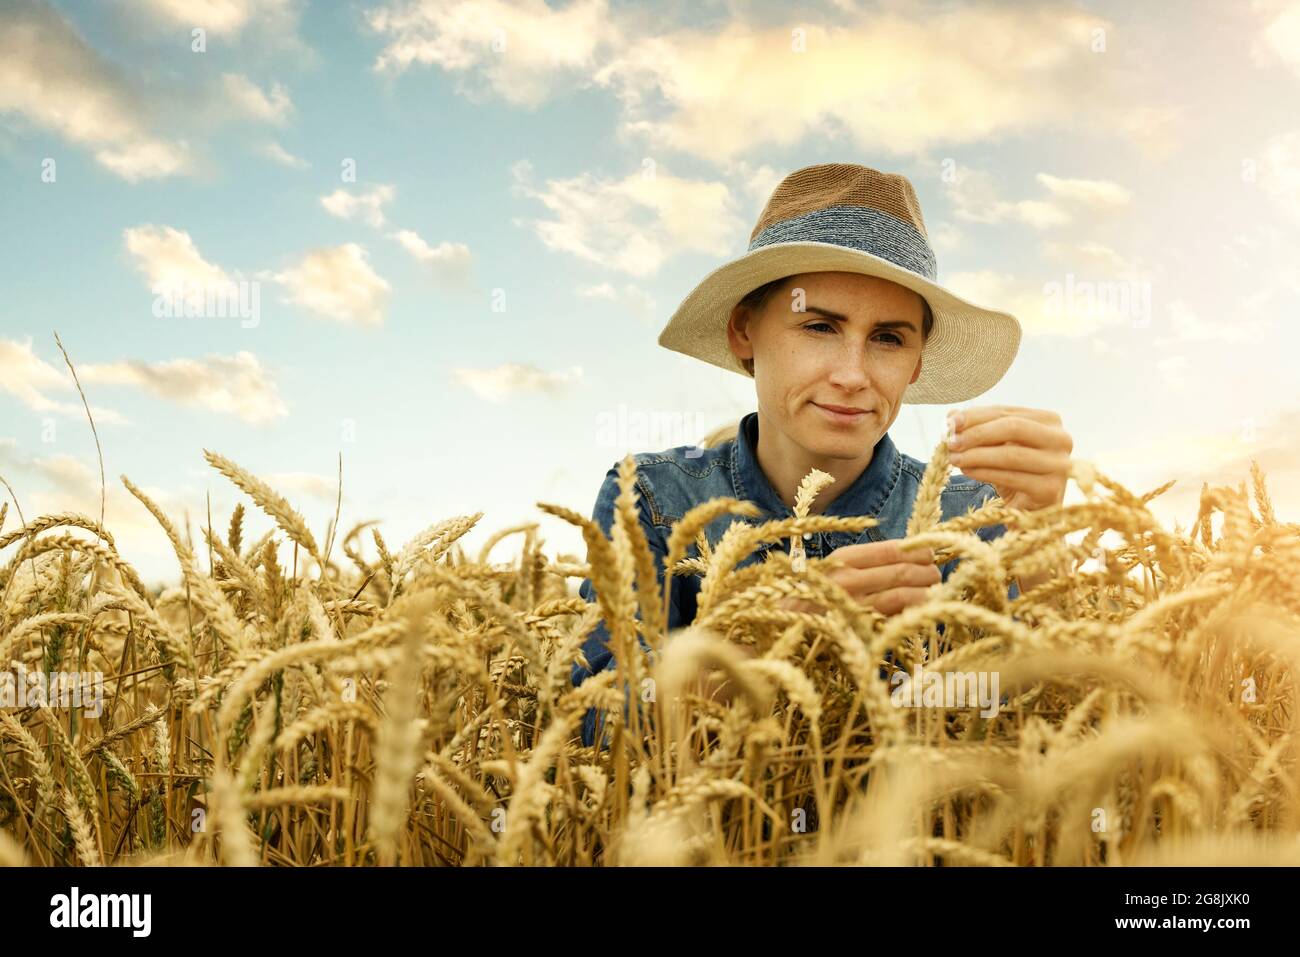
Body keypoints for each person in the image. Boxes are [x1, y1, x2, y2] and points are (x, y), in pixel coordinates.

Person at [571, 163, 1074, 749]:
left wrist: (1042, 546)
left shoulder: (974, 517)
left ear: (915, 363)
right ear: (743, 333)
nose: (853, 375)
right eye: (818, 326)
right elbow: (595, 723)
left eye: (888, 338)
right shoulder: (654, 499)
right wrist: (774, 638)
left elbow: (1035, 728)